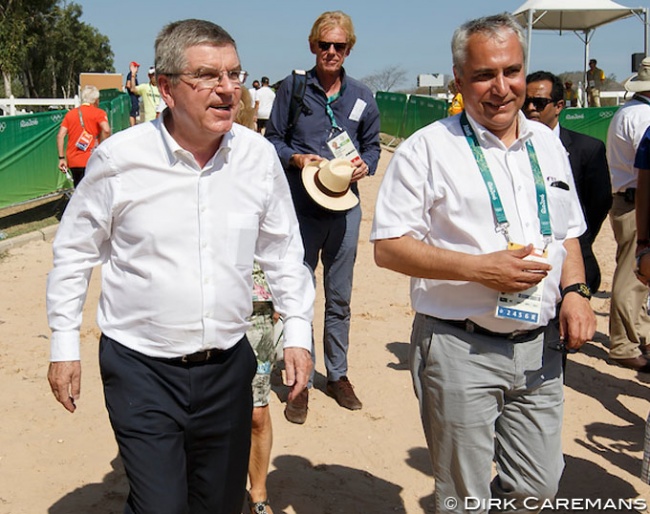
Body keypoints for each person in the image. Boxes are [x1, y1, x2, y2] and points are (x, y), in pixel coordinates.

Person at [46, 18, 314, 514]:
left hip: (227, 368)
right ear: (165, 87)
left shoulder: (256, 158)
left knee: (217, 503)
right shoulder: (119, 160)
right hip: (141, 368)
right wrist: (64, 344)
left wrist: (297, 331)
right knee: (161, 506)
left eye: (234, 74)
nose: (229, 89)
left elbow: (282, 251)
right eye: (208, 76)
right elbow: (74, 252)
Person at [371, 13, 595, 513]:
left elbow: (569, 235)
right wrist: (478, 269)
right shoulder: (426, 150)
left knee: (536, 488)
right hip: (459, 348)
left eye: (511, 71)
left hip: (540, 352)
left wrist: (576, 292)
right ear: (459, 81)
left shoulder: (548, 145)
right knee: (464, 497)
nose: (501, 88)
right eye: (483, 75)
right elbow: (388, 247)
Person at [265, 10, 380, 424]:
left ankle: (338, 374)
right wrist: (295, 157)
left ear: (349, 49)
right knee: (297, 296)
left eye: (339, 46)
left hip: (344, 209)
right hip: (300, 208)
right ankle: (300, 382)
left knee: (340, 297)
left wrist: (366, 164)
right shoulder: (293, 89)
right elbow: (272, 141)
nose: (331, 52)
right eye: (324, 45)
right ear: (313, 46)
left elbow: (372, 148)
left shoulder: (363, 96)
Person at [523, 70, 612, 294]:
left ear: (559, 105)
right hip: (526, 260)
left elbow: (599, 203)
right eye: (526, 101)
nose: (530, 108)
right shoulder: (508, 147)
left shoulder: (587, 149)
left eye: (539, 102)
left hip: (572, 259)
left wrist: (576, 238)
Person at [606, 56, 650, 371]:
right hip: (637, 202)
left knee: (639, 276)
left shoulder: (629, 111)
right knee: (631, 275)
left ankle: (639, 335)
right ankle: (623, 344)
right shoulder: (642, 116)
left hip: (629, 198)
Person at [56, 85, 111, 187]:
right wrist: (102, 146)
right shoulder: (99, 113)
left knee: (79, 191)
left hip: (73, 161)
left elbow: (60, 135)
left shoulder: (70, 114)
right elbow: (106, 129)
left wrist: (61, 158)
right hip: (92, 158)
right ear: (95, 100)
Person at [125, 61, 140, 126]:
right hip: (132, 96)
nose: (137, 68)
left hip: (135, 97)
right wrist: (132, 89)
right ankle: (132, 126)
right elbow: (128, 84)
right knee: (132, 112)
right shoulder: (130, 75)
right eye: (136, 67)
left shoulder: (134, 76)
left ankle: (134, 125)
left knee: (135, 112)